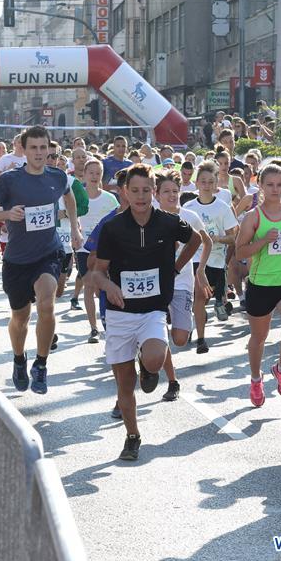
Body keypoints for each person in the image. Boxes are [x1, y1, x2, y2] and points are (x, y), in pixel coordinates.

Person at [89, 164, 201, 460]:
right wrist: (108, 287)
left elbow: (197, 240)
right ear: (125, 192)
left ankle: (146, 363)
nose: (140, 196)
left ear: (154, 192)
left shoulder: (168, 222)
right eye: (135, 190)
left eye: (146, 190)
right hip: (120, 314)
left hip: (152, 310)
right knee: (125, 384)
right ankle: (132, 436)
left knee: (154, 358)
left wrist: (176, 267)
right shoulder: (113, 228)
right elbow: (97, 272)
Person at [0, 126, 83, 395]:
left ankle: (41, 364)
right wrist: (7, 214)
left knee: (47, 302)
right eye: (34, 148)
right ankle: (19, 359)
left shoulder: (57, 176)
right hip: (17, 259)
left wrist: (74, 227)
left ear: (49, 148)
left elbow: (69, 196)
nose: (39, 153)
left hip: (48, 253)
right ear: (24, 150)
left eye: (43, 147)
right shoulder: (9, 180)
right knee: (20, 317)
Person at [235, 165, 281, 407]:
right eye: (270, 185)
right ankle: (256, 379)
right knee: (259, 337)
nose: (275, 189)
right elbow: (240, 252)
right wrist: (264, 241)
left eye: (279, 184)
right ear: (261, 187)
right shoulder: (253, 217)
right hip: (261, 284)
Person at [153, 172, 212, 403]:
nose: (171, 196)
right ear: (157, 195)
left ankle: (153, 349)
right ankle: (172, 380)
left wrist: (200, 269)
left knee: (180, 338)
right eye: (166, 192)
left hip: (182, 282)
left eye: (175, 191)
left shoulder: (190, 216)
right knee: (159, 333)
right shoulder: (151, 217)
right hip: (155, 284)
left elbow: (206, 241)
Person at [183, 162, 239, 352]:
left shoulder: (222, 207)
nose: (206, 185)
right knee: (199, 295)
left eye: (210, 182)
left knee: (203, 299)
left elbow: (234, 238)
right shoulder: (188, 207)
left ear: (216, 184)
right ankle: (201, 339)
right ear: (196, 182)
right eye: (203, 181)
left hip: (215, 260)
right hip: (195, 259)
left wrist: (217, 238)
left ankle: (198, 320)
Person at [76, 159, 119, 343]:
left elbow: (118, 221)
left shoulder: (110, 199)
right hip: (84, 247)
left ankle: (107, 322)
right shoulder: (77, 197)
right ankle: (93, 328)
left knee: (99, 288)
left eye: (98, 173)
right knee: (88, 284)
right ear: (84, 175)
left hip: (105, 249)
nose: (94, 176)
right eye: (91, 173)